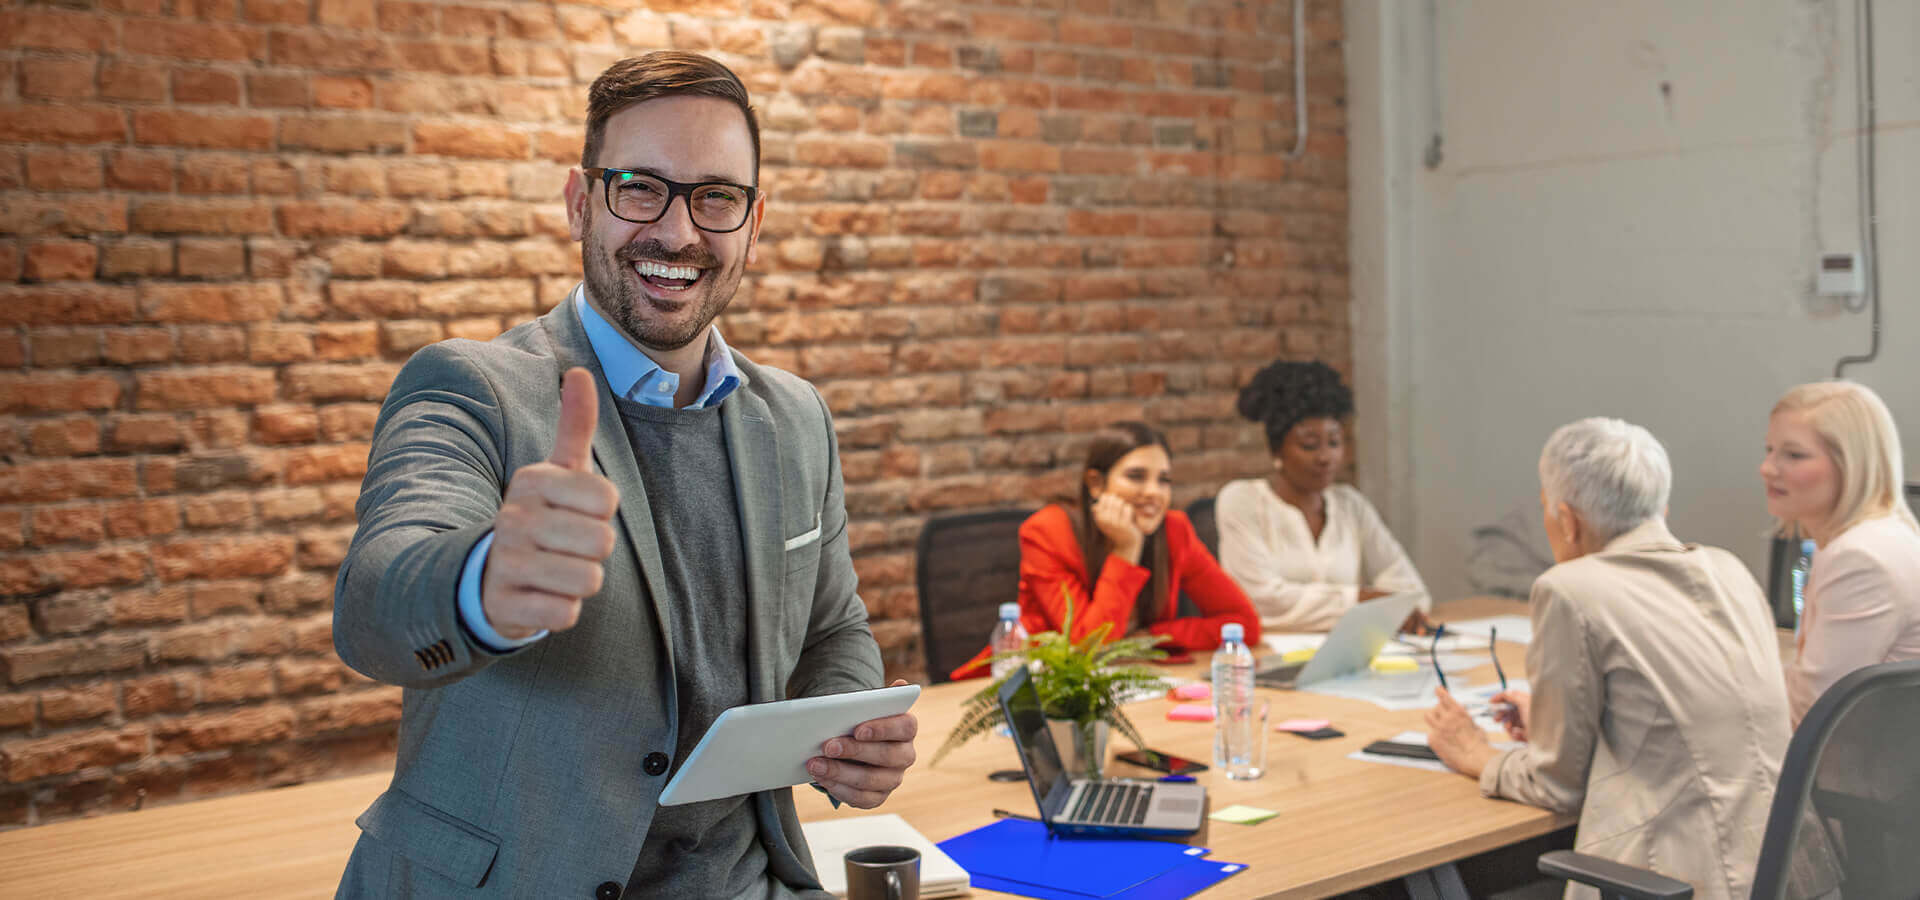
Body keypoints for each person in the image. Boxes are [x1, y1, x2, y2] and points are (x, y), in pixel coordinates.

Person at [332, 52, 914, 899]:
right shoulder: (469, 386)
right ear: (580, 202)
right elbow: (375, 601)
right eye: (640, 186)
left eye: (716, 197)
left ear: (753, 222)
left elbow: (833, 629)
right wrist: (483, 585)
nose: (678, 233)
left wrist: (846, 728)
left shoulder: (795, 418)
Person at [1424, 418, 1790, 900]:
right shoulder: (1728, 569)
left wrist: (1478, 755)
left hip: (1674, 880)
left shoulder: (1571, 589)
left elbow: (1557, 789)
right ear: (1661, 506)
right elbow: (1679, 724)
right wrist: (1556, 726)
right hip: (1779, 871)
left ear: (1568, 520)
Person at [1215, 359, 1430, 632]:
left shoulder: (1350, 505)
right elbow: (1260, 601)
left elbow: (1411, 590)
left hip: (1348, 656)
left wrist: (1388, 606)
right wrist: (1361, 601)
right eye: (1309, 445)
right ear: (1276, 450)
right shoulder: (1242, 501)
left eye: (1334, 442)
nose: (1325, 457)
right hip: (1267, 659)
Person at [1762, 380, 1920, 725]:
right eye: (1769, 450)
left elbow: (1812, 709)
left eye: (1794, 455)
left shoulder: (1860, 558)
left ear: (1851, 464)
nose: (1768, 469)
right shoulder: (1877, 536)